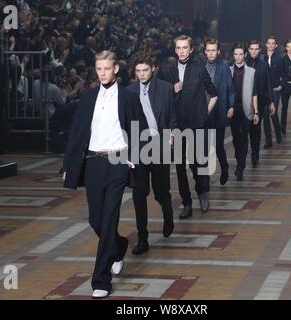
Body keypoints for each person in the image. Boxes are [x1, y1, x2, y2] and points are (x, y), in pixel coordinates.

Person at [62, 51, 140, 299]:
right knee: (95, 219)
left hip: (118, 161)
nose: (103, 73)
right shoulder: (88, 97)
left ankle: (101, 280)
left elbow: (139, 128)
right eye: (99, 69)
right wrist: (68, 166)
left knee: (108, 220)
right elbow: (76, 132)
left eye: (107, 68)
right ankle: (118, 248)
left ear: (116, 69)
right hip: (93, 162)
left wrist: (132, 159)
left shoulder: (128, 97)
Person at [159, 35, 218, 220]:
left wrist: (204, 112)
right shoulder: (167, 72)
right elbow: (161, 98)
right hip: (177, 125)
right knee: (179, 166)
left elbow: (213, 92)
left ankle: (202, 192)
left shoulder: (199, 67)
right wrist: (171, 90)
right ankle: (186, 203)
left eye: (185, 47)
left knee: (197, 163)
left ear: (191, 49)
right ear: (175, 50)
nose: (182, 50)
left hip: (196, 123)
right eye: (179, 47)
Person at [126, 54, 177, 255]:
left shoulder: (165, 89)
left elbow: (172, 116)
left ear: (153, 68)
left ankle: (168, 212)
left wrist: (171, 135)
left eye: (145, 70)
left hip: (159, 145)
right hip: (138, 147)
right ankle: (142, 238)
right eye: (138, 71)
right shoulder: (129, 91)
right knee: (139, 195)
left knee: (161, 191)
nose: (141, 75)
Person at [203, 38, 236, 185]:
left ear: (218, 51)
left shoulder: (224, 68)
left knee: (217, 145)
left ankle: (224, 168)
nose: (211, 53)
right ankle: (205, 177)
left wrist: (231, 106)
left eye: (213, 50)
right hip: (203, 112)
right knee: (204, 146)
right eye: (208, 50)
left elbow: (231, 89)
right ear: (205, 52)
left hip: (219, 111)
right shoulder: (200, 67)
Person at [229, 43, 259, 181]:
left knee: (244, 138)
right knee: (235, 138)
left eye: (241, 54)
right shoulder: (228, 71)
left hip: (247, 108)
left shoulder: (252, 71)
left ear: (245, 55)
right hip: (233, 109)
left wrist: (256, 112)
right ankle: (239, 158)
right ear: (233, 55)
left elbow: (254, 93)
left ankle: (240, 167)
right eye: (236, 54)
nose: (238, 56)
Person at [245, 40, 275, 165]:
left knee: (256, 130)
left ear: (259, 50)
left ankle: (255, 154)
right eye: (251, 49)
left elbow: (269, 83)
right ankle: (242, 155)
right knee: (244, 131)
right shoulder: (243, 63)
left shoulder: (264, 65)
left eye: (256, 49)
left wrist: (272, 102)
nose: (254, 51)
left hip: (261, 102)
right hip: (245, 102)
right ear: (248, 50)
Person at [262, 35, 283, 147]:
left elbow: (283, 74)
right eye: (268, 43)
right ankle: (268, 140)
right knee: (265, 115)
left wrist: (281, 85)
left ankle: (278, 134)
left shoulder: (279, 59)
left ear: (276, 45)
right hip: (264, 91)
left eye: (272, 43)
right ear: (266, 44)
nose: (270, 45)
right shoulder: (261, 58)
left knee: (273, 113)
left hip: (275, 90)